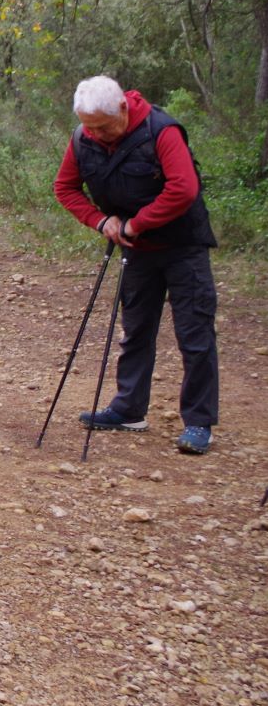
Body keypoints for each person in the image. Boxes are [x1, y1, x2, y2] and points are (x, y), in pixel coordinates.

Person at [55, 75, 219, 455]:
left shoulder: (161, 130)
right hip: (136, 249)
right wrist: (100, 220)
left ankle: (198, 421)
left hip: (184, 246)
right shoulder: (82, 138)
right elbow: (65, 187)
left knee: (194, 333)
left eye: (103, 126)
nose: (96, 134)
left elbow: (183, 188)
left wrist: (136, 223)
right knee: (136, 329)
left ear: (124, 109)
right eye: (89, 126)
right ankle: (129, 409)